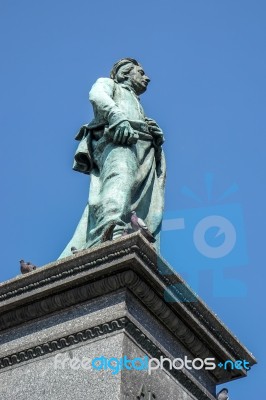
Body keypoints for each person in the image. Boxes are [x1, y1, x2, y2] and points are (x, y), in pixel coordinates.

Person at [59, 58, 166, 258]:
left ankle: (120, 231)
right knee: (118, 181)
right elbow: (97, 96)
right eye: (141, 72)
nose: (147, 78)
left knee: (131, 199)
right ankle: (113, 232)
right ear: (124, 73)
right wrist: (117, 116)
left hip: (142, 148)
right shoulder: (109, 84)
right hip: (119, 140)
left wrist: (154, 137)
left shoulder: (135, 101)